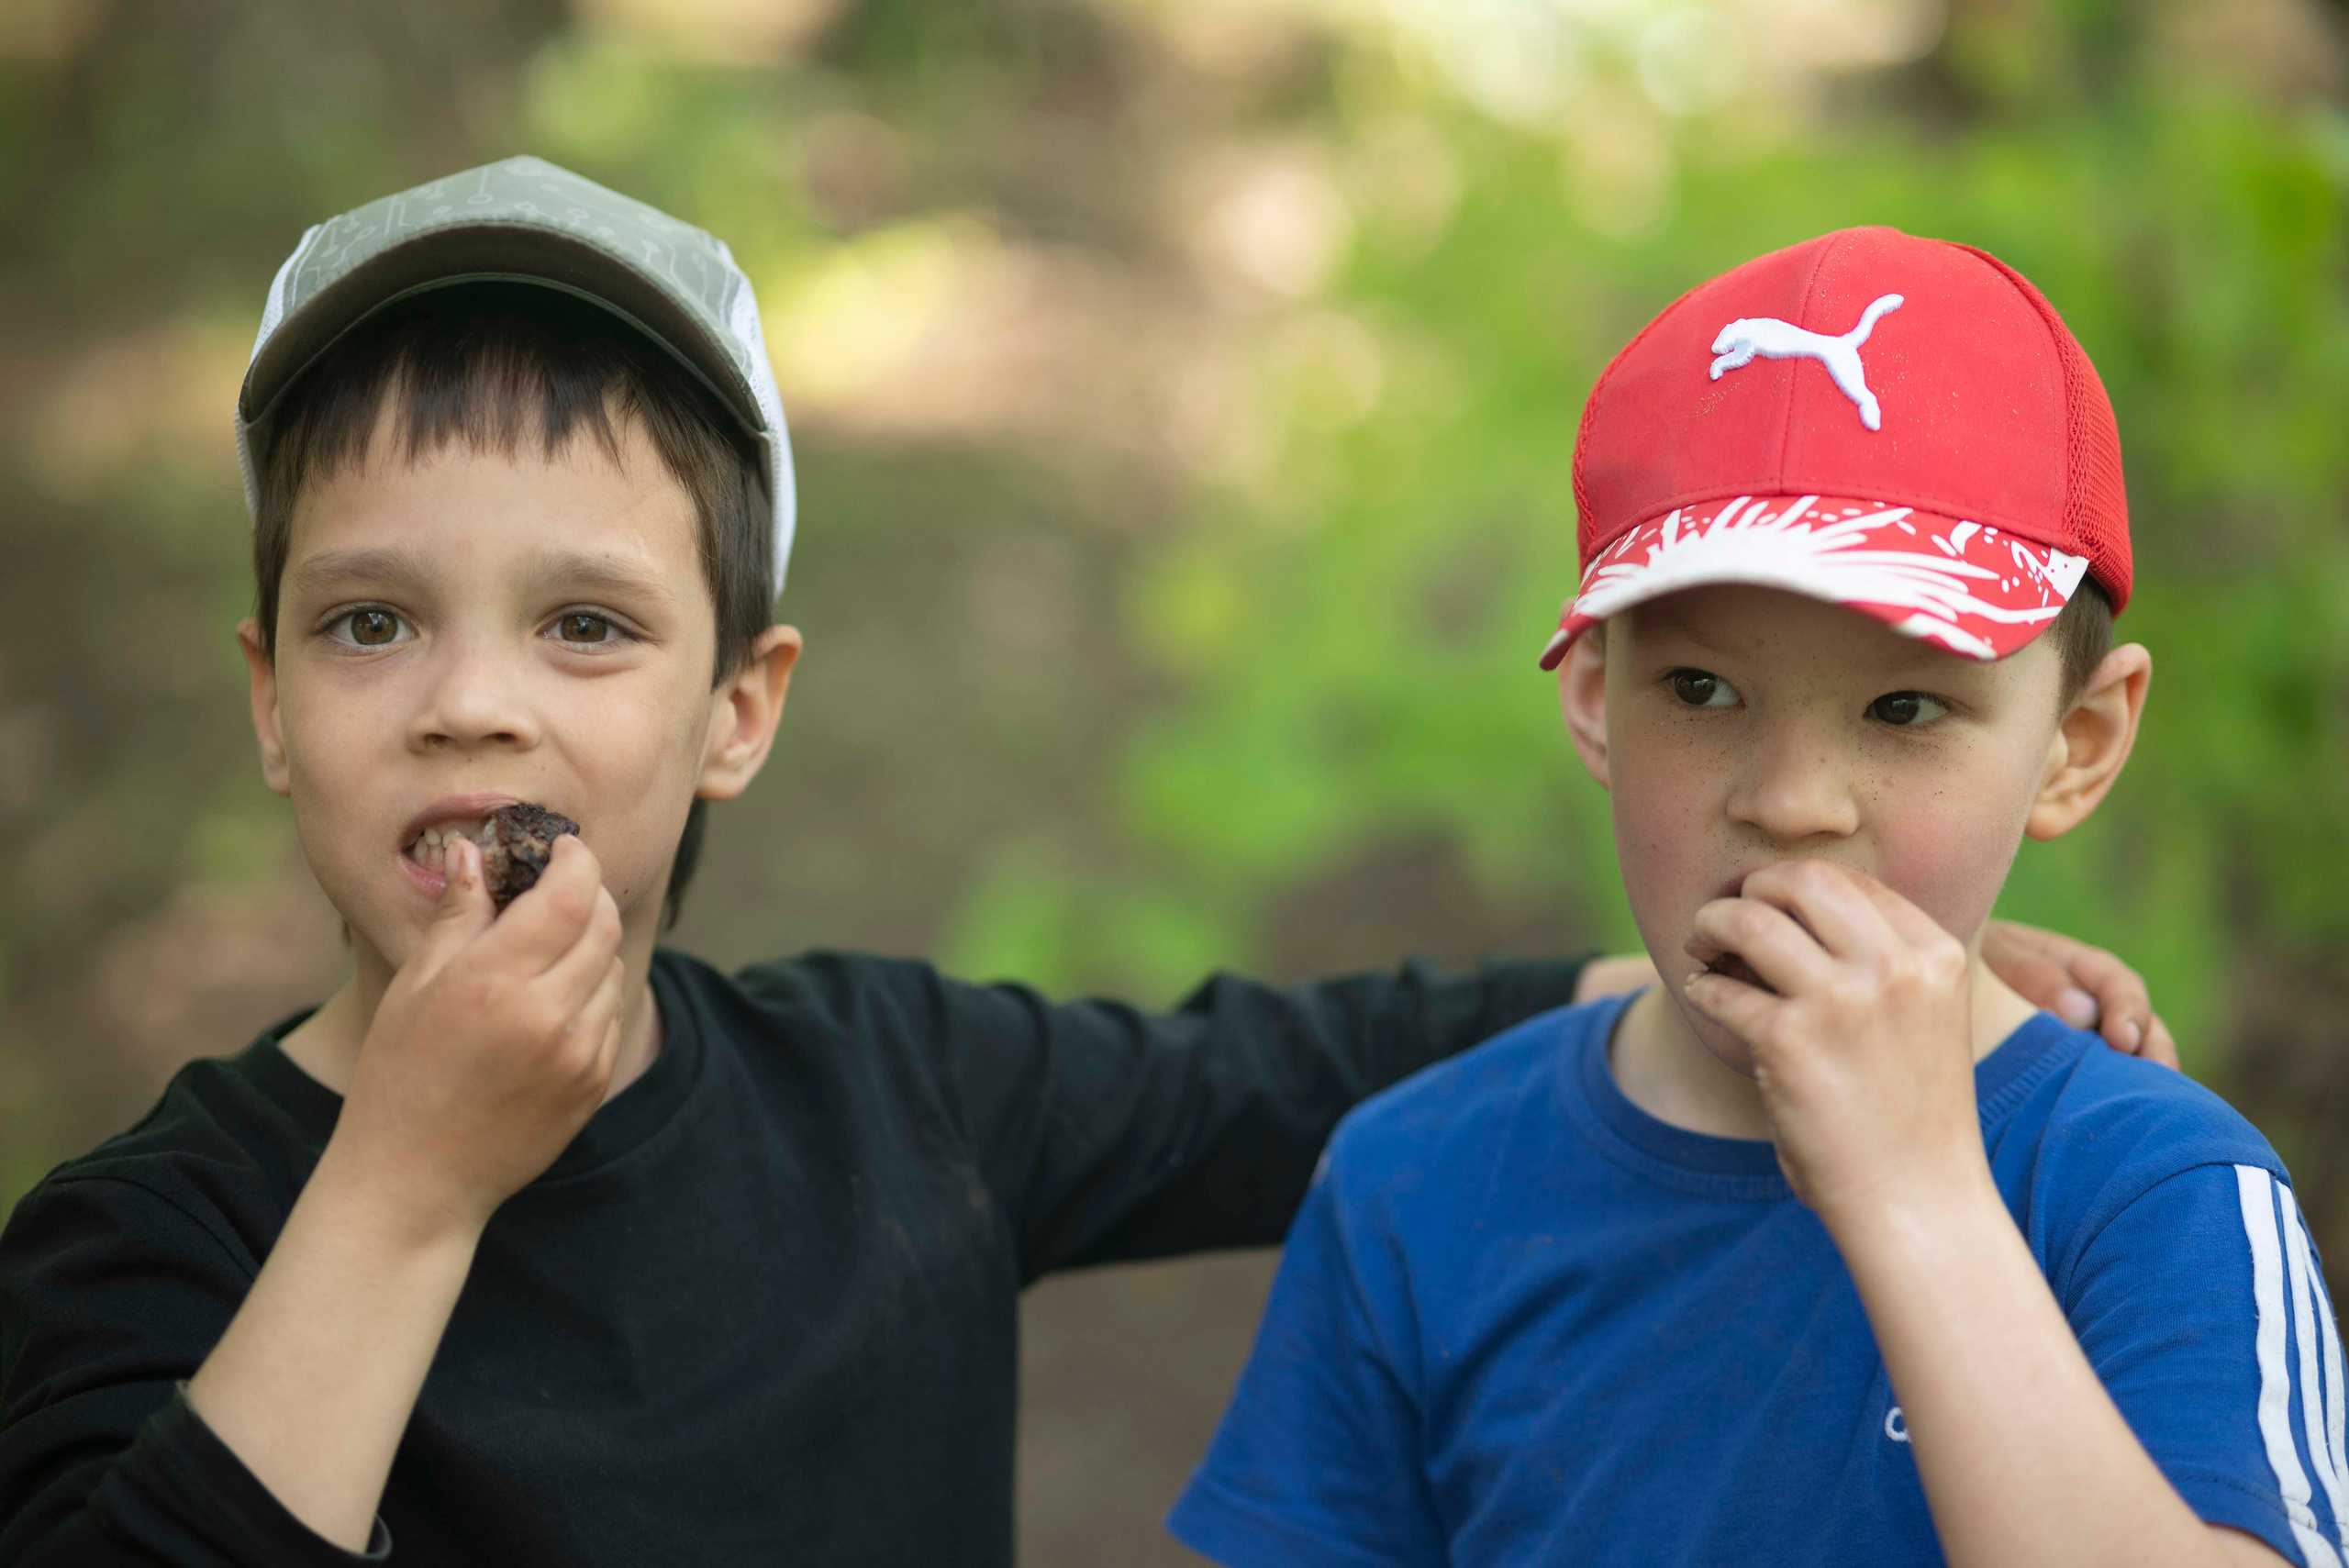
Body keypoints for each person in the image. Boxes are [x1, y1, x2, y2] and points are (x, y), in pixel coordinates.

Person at [0, 167, 2165, 1568]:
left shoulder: (887, 1096)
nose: (473, 703)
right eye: (372, 622)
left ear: (737, 710)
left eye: (584, 625)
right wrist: (403, 1183)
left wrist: (1810, 967)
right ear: (270, 699)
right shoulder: (143, 1240)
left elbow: (1282, 1075)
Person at [1169, 228, 2335, 1568]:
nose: (1792, 800)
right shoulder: (1410, 1180)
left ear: (2078, 741)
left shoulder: (2154, 1188)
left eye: (1905, 707)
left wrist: (1919, 1197)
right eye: (1703, 690)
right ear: (1598, 696)